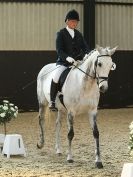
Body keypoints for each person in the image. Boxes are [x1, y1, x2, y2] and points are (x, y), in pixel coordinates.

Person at [49, 9, 90, 111]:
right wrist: (67, 57)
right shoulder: (61, 33)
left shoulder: (79, 34)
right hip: (63, 62)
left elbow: (85, 48)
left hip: (77, 63)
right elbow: (59, 50)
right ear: (67, 21)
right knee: (56, 76)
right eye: (72, 21)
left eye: (76, 22)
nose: (74, 23)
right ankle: (52, 101)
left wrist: (87, 56)